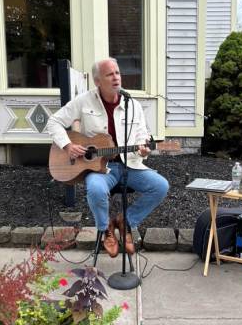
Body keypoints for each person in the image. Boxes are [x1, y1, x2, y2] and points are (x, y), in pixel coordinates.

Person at [47, 58, 169, 258]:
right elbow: (54, 122)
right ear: (97, 81)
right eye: (109, 74)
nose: (116, 78)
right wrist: (67, 145)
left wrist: (143, 149)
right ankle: (106, 230)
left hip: (130, 166)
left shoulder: (133, 105)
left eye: (118, 73)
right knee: (95, 189)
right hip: (100, 169)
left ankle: (126, 221)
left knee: (160, 186)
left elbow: (142, 134)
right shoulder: (84, 101)